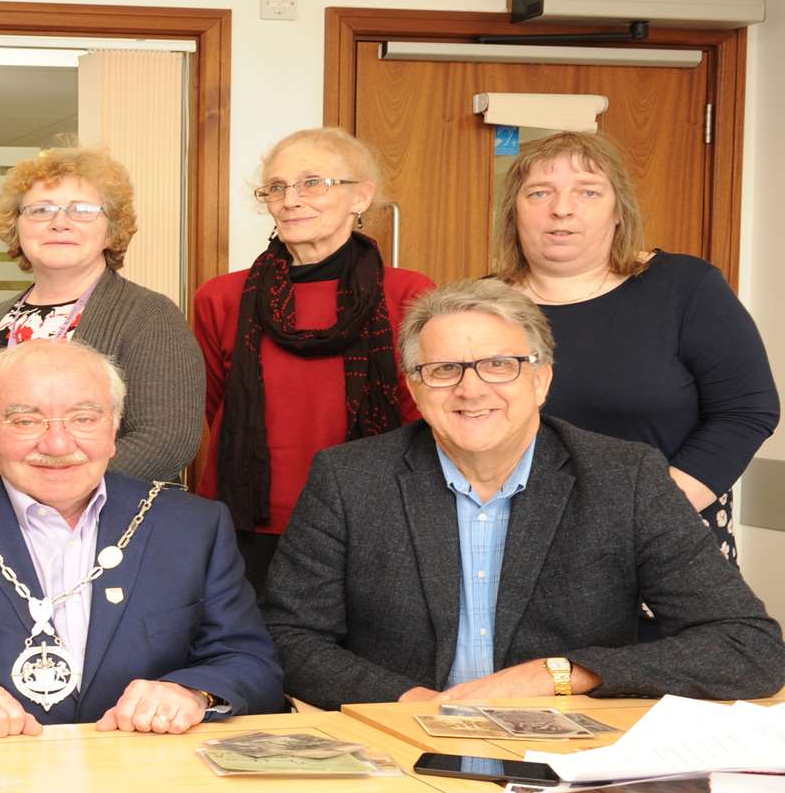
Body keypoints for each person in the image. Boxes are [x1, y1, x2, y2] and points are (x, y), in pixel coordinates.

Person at [261, 279, 785, 710]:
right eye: (444, 370)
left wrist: (560, 674)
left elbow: (748, 646)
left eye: (499, 365)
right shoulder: (350, 478)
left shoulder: (624, 478)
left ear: (541, 380)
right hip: (398, 744)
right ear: (415, 389)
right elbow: (288, 636)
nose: (472, 390)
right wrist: (410, 702)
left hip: (567, 754)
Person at [0, 338, 284, 738]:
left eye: (83, 418)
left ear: (114, 428)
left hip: (151, 782)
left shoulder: (189, 526)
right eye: (25, 420)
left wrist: (192, 693)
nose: (56, 444)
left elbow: (251, 664)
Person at [493, 130, 777, 563]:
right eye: (539, 193)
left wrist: (647, 516)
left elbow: (746, 411)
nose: (562, 208)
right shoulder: (482, 306)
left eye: (588, 191)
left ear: (619, 211)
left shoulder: (685, 287)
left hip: (666, 537)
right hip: (518, 547)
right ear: (514, 213)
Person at [193, 128, 433, 594]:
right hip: (245, 526)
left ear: (360, 196)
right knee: (248, 662)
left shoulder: (408, 294)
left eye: (312, 183)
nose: (291, 199)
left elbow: (419, 413)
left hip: (373, 521)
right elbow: (213, 405)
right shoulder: (221, 297)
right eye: (277, 187)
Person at [0, 147, 202, 486]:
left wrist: (47, 497)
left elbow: (166, 439)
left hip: (103, 526)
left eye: (82, 210)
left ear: (111, 229)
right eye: (41, 210)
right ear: (17, 227)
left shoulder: (149, 315)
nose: (59, 223)